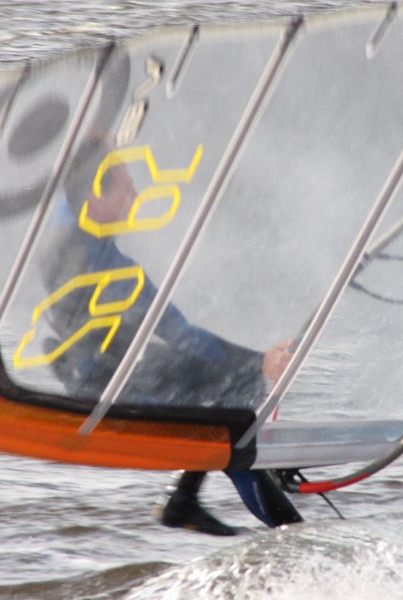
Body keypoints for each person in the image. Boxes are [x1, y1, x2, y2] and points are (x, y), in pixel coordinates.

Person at [42, 137, 303, 534]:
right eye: (126, 188)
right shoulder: (114, 271)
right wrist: (259, 362)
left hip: (89, 373)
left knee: (214, 391)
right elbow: (182, 335)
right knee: (237, 404)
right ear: (96, 197)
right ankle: (280, 530)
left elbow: (75, 181)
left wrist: (99, 140)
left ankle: (188, 497)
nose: (135, 197)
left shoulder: (64, 230)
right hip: (113, 393)